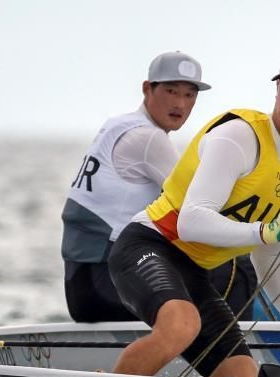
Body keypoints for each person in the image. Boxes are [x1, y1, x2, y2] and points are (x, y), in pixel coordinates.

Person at [107, 49, 280, 377]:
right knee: (181, 326)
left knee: (242, 374)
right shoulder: (240, 137)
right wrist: (264, 230)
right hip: (148, 245)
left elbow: (268, 251)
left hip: (194, 272)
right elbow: (191, 221)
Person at [61, 50, 210, 322]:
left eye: (190, 95)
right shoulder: (149, 139)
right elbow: (201, 204)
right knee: (231, 267)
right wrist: (267, 238)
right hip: (104, 289)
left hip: (82, 288)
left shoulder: (117, 125)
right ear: (147, 89)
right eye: (171, 91)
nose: (180, 103)